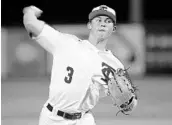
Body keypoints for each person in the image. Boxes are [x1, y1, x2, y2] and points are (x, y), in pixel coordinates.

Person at [23, 5, 137, 125]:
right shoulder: (66, 43)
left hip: (84, 119)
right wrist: (30, 12)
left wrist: (128, 104)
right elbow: (31, 24)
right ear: (89, 25)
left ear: (114, 28)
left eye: (108, 21)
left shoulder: (116, 65)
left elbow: (131, 101)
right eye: (98, 20)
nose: (103, 24)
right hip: (52, 118)